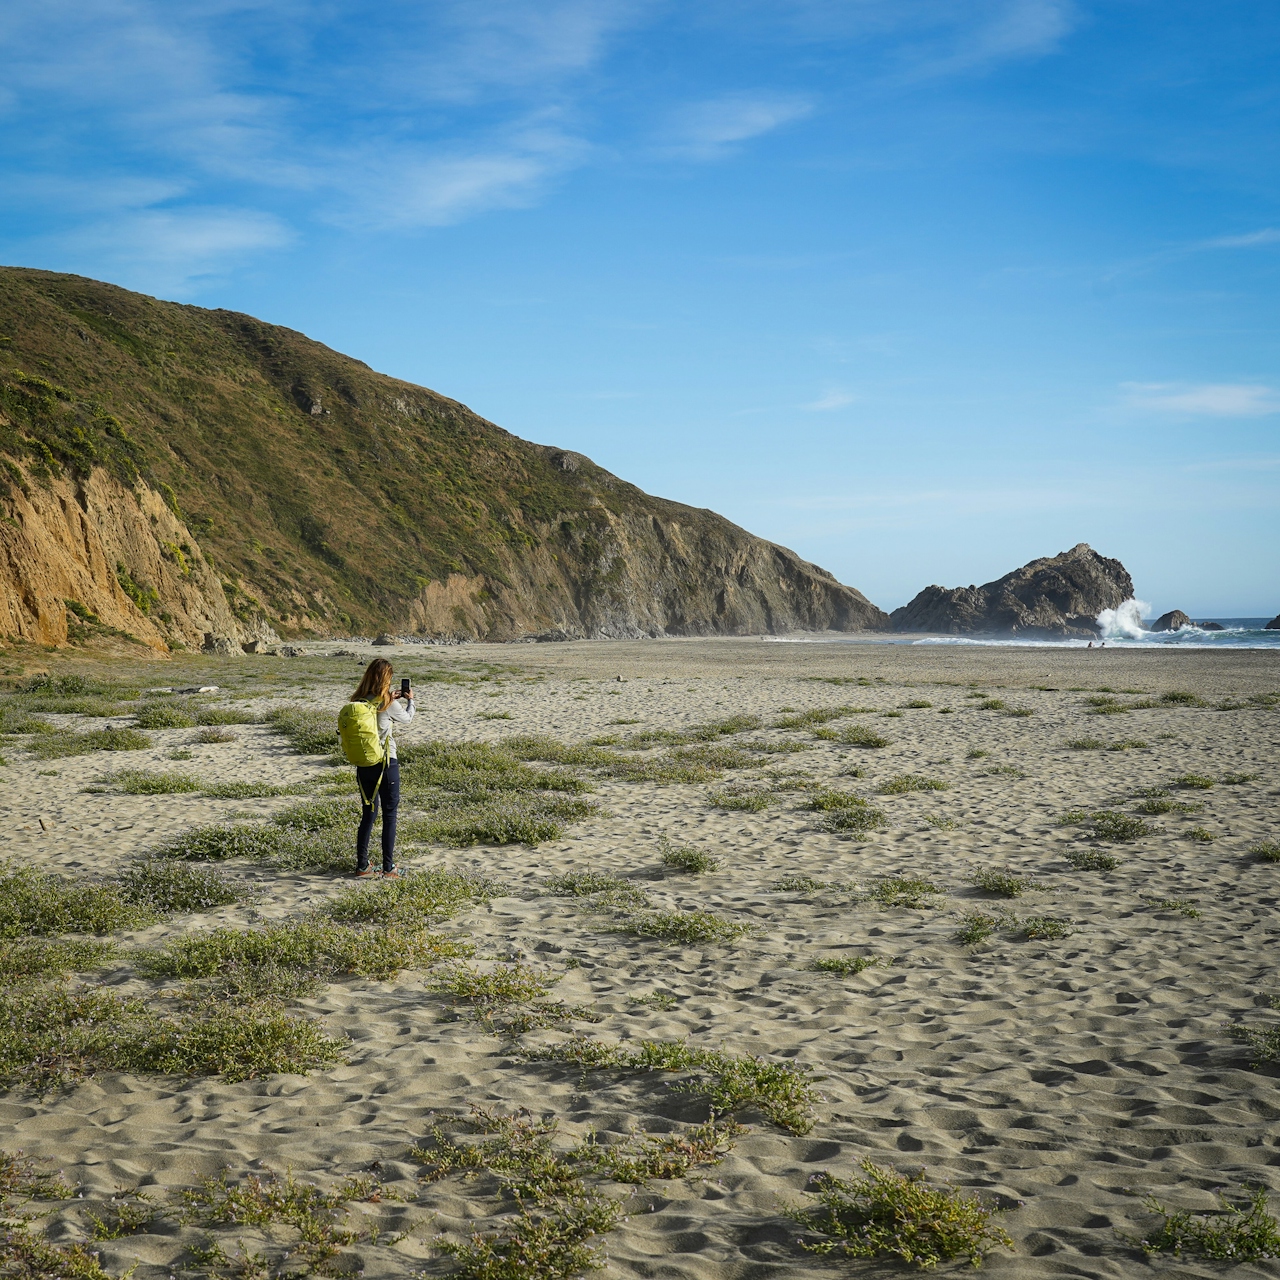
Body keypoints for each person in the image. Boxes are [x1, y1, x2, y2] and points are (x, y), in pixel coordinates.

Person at [348, 658, 414, 878]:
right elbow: (406, 719)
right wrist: (410, 701)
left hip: (364, 763)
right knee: (390, 814)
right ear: (387, 679)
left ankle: (362, 866)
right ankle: (389, 867)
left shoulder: (358, 700)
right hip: (386, 762)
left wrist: (390, 697)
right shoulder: (388, 702)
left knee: (368, 814)